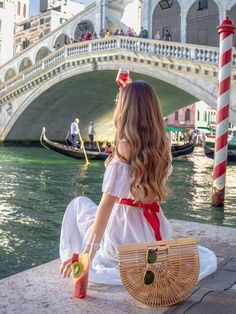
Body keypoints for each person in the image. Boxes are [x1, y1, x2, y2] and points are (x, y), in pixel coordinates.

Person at [60, 81, 217, 285]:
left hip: (123, 233)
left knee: (78, 205)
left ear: (124, 110)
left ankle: (82, 252)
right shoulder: (164, 144)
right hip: (152, 229)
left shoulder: (125, 147)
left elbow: (106, 207)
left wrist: (88, 251)